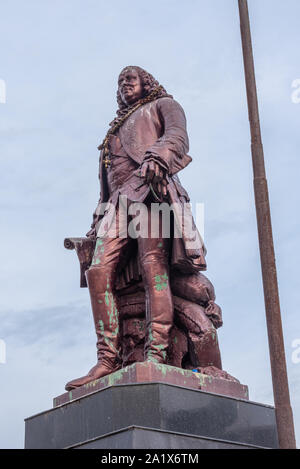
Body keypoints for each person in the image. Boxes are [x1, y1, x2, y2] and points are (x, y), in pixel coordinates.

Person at [65, 66, 207, 391]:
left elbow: (177, 136)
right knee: (98, 270)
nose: (125, 83)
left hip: (150, 189)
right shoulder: (112, 130)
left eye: (131, 78)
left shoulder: (163, 105)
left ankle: (156, 354)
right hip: (116, 204)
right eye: (120, 81)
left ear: (147, 83)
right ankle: (107, 359)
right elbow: (108, 181)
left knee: (153, 268)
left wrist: (158, 157)